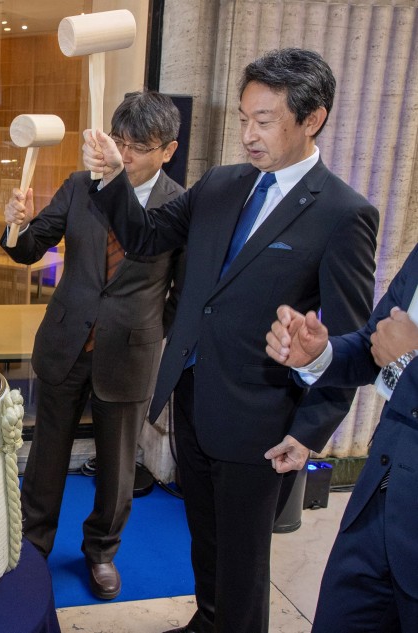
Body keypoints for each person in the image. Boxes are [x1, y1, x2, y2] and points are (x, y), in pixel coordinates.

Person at [81, 48, 379, 632]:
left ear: (311, 118)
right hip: (192, 394)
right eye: (243, 117)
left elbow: (346, 339)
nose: (247, 134)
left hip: (261, 416)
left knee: (244, 562)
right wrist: (114, 177)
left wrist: (310, 431)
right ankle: (206, 621)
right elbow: (144, 239)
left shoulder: (344, 213)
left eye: (263, 121)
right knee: (206, 539)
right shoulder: (221, 184)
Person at [2, 91, 185, 600]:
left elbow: (181, 294)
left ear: (167, 150)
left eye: (138, 148)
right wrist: (16, 220)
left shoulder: (179, 204)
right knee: (46, 456)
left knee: (118, 464)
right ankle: (32, 546)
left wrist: (141, 326)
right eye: (118, 141)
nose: (123, 156)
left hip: (128, 351)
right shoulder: (81, 186)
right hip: (65, 341)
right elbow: (29, 248)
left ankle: (102, 551)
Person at [265, 244, 418, 631]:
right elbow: (376, 344)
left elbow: (401, 357)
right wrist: (317, 356)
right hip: (376, 506)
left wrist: (410, 365)